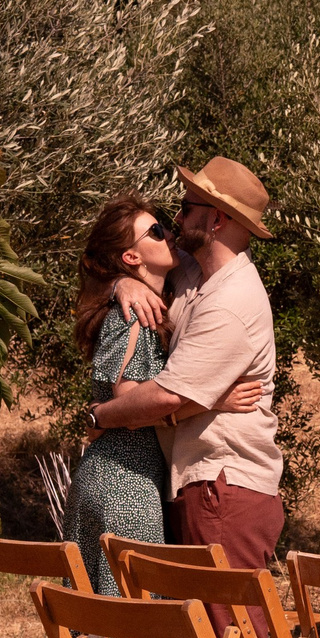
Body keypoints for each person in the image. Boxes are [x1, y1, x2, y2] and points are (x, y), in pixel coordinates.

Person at [89, 156, 284, 638]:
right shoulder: (193, 274)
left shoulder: (230, 302)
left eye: (184, 207)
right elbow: (110, 261)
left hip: (222, 488)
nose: (175, 219)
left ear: (215, 219)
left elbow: (169, 394)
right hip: (195, 485)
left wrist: (98, 416)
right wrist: (121, 282)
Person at [66, 197, 264, 596]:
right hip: (128, 483)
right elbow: (131, 401)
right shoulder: (134, 315)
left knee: (90, 618)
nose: (170, 231)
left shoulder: (168, 287)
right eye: (156, 231)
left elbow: (93, 263)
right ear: (132, 256)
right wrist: (208, 398)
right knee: (133, 623)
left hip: (106, 477)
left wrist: (120, 281)